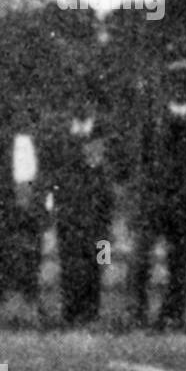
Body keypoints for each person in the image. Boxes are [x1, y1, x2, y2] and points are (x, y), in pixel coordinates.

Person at [128, 59, 186, 329]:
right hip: (155, 199)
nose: (180, 90)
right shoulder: (154, 119)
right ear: (167, 88)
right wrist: (146, 191)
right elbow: (141, 158)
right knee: (141, 258)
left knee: (178, 264)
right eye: (175, 84)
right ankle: (137, 314)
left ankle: (172, 315)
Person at [47, 92, 115, 326]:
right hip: (69, 207)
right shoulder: (61, 134)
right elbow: (53, 169)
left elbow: (109, 169)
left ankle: (92, 311)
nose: (79, 104)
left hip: (98, 209)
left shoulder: (104, 131)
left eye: (85, 98)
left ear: (92, 103)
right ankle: (70, 312)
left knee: (99, 257)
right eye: (74, 99)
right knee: (69, 259)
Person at [0, 99, 49, 322]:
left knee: (101, 253)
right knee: (0, 260)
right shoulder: (1, 144)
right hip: (6, 212)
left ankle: (28, 308)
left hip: (25, 213)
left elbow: (35, 181)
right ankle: (1, 309)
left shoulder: (31, 144)